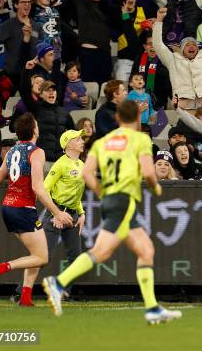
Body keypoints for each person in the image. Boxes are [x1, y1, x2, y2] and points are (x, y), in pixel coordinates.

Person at [42, 100, 182, 324]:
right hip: (124, 201)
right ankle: (58, 284)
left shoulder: (103, 142)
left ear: (117, 118)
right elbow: (148, 171)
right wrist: (156, 187)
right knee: (101, 252)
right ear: (137, 118)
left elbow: (87, 174)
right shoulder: (140, 139)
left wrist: (102, 193)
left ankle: (153, 308)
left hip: (112, 201)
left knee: (146, 250)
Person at [0, 113, 72, 306]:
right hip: (23, 209)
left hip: (8, 208)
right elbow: (38, 187)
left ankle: (25, 298)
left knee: (35, 255)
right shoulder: (36, 152)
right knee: (42, 257)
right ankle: (1, 268)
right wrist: (57, 212)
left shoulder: (13, 151)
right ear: (34, 130)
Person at [13, 129, 87, 302]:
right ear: (69, 144)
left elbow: (75, 195)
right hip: (55, 214)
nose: (82, 141)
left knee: (76, 257)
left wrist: (81, 213)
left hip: (72, 215)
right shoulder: (61, 164)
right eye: (78, 139)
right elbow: (43, 189)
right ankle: (19, 292)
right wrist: (56, 213)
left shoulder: (81, 165)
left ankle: (61, 291)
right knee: (43, 256)